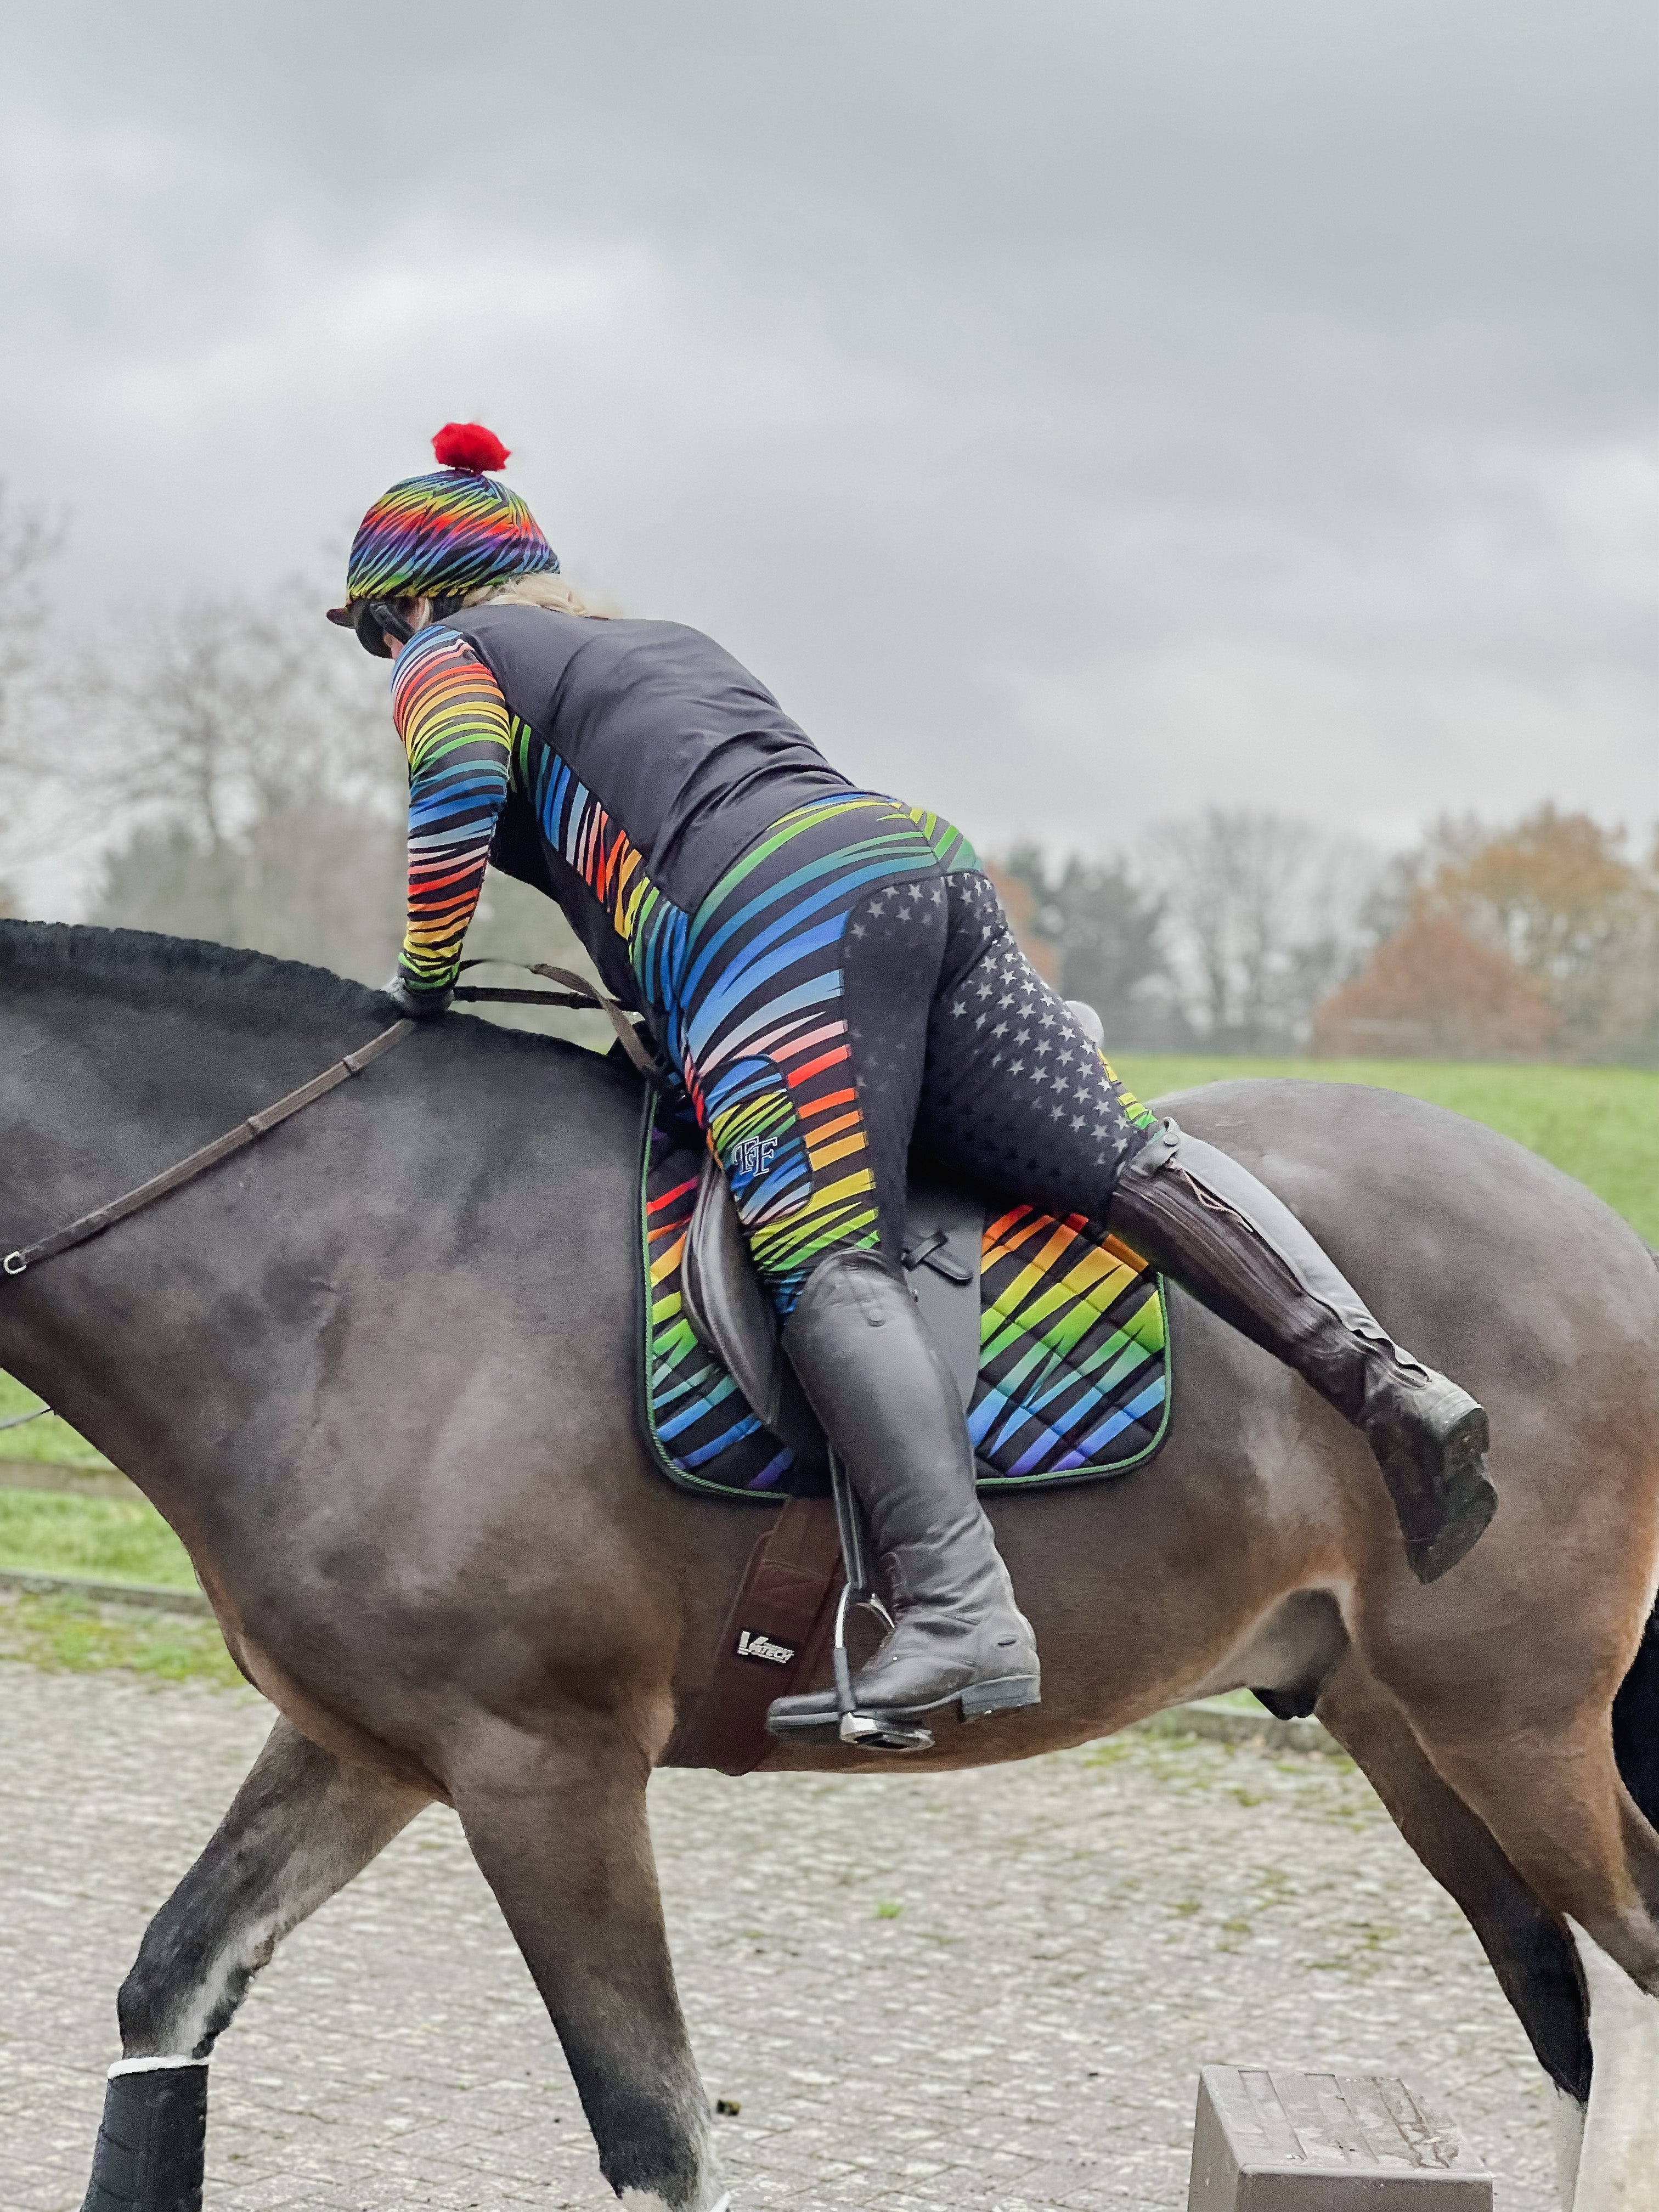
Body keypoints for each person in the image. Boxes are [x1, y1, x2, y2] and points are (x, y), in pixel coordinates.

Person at [330, 422, 1497, 1745]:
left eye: (378, 628)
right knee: (1121, 1160)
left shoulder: (452, 652)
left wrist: (425, 978)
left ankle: (955, 1602)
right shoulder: (665, 646)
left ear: (414, 596)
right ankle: (1391, 1384)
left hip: (770, 923)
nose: (386, 655)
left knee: (824, 1253)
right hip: (911, 870)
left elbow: (463, 792)